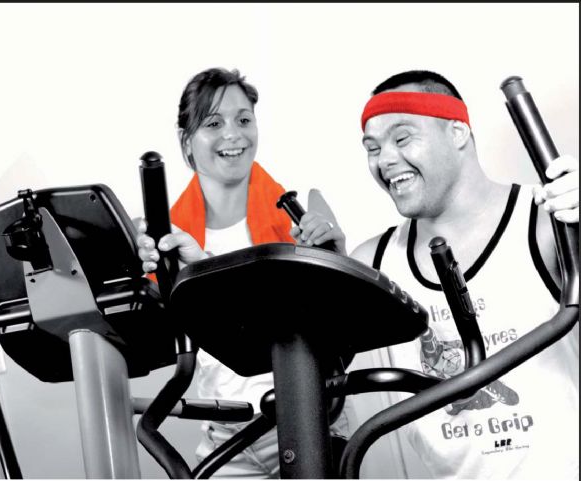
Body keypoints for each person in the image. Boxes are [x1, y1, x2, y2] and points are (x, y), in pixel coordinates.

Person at [113, 67, 355, 477]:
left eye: (243, 119)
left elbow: (346, 329)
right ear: (186, 141)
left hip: (311, 416)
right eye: (213, 123)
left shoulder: (306, 213)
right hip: (227, 434)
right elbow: (155, 340)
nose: (233, 134)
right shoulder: (166, 237)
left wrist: (337, 262)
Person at [351, 70, 578, 479]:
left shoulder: (547, 223)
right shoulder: (374, 262)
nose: (384, 160)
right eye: (373, 148)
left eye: (402, 138)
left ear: (457, 132)